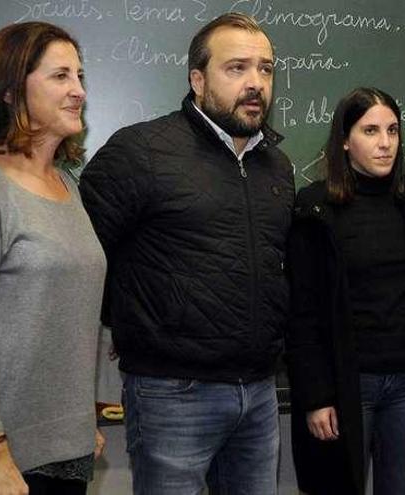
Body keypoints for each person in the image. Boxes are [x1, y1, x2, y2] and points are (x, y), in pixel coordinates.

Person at [78, 13, 294, 494]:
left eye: (266, 69)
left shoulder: (276, 165)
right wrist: (137, 318)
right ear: (198, 79)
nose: (256, 82)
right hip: (173, 393)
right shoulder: (140, 152)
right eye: (236, 68)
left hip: (259, 393)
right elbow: (82, 261)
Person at [286, 87, 405, 495]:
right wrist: (315, 395)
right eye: (370, 130)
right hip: (345, 385)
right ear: (344, 139)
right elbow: (302, 312)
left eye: (392, 130)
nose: (385, 143)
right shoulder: (315, 209)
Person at [0, 22, 105, 495]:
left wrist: (80, 422)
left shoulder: (69, 186)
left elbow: (66, 317)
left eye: (79, 76)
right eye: (60, 76)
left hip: (66, 452)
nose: (78, 90)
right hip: (7, 459)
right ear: (11, 92)